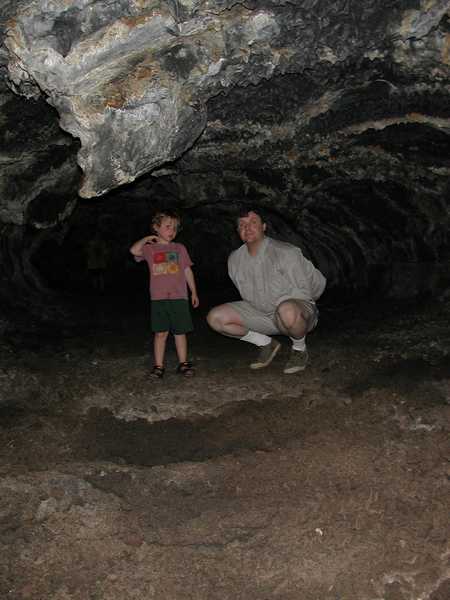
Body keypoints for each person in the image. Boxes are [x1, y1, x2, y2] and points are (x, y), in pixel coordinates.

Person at [207, 207, 326, 374]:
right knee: (215, 318)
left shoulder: (285, 252)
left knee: (287, 310)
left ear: (264, 226)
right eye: (242, 225)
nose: (247, 227)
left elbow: (314, 285)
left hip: (295, 313)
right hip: (262, 314)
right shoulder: (235, 259)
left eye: (253, 222)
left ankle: (299, 349)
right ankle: (266, 343)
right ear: (238, 231)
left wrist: (301, 309)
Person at [130, 210, 199, 378]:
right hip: (158, 298)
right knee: (160, 333)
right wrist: (147, 238)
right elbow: (134, 250)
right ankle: (158, 366)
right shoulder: (150, 249)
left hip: (179, 297)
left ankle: (183, 364)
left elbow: (187, 270)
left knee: (180, 332)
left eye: (175, 228)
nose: (172, 231)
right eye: (168, 226)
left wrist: (194, 292)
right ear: (156, 227)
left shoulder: (179, 248)